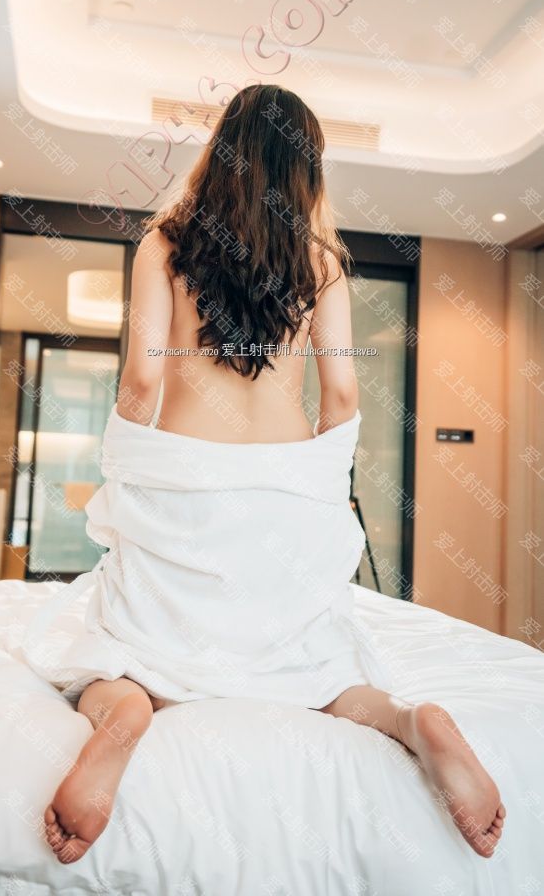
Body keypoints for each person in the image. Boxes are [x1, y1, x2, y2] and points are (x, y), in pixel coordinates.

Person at [43, 84, 505, 864]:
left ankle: (124, 714)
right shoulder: (320, 262)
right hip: (287, 487)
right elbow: (343, 393)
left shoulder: (165, 243)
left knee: (124, 650)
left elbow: (143, 380)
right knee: (319, 670)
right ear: (305, 169)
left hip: (188, 479)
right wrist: (312, 481)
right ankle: (404, 719)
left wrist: (130, 464)